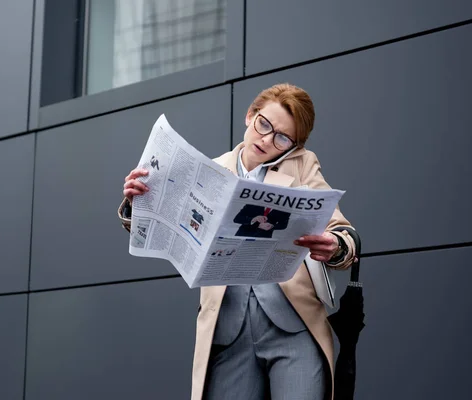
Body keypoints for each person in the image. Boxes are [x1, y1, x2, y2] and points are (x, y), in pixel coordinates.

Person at [118, 83, 357, 400]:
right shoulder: (210, 170)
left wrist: (335, 244)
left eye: (282, 137)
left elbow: (341, 230)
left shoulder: (302, 166)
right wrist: (138, 203)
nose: (267, 140)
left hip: (292, 327)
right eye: (264, 125)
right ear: (250, 115)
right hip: (227, 333)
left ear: (293, 144)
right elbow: (167, 227)